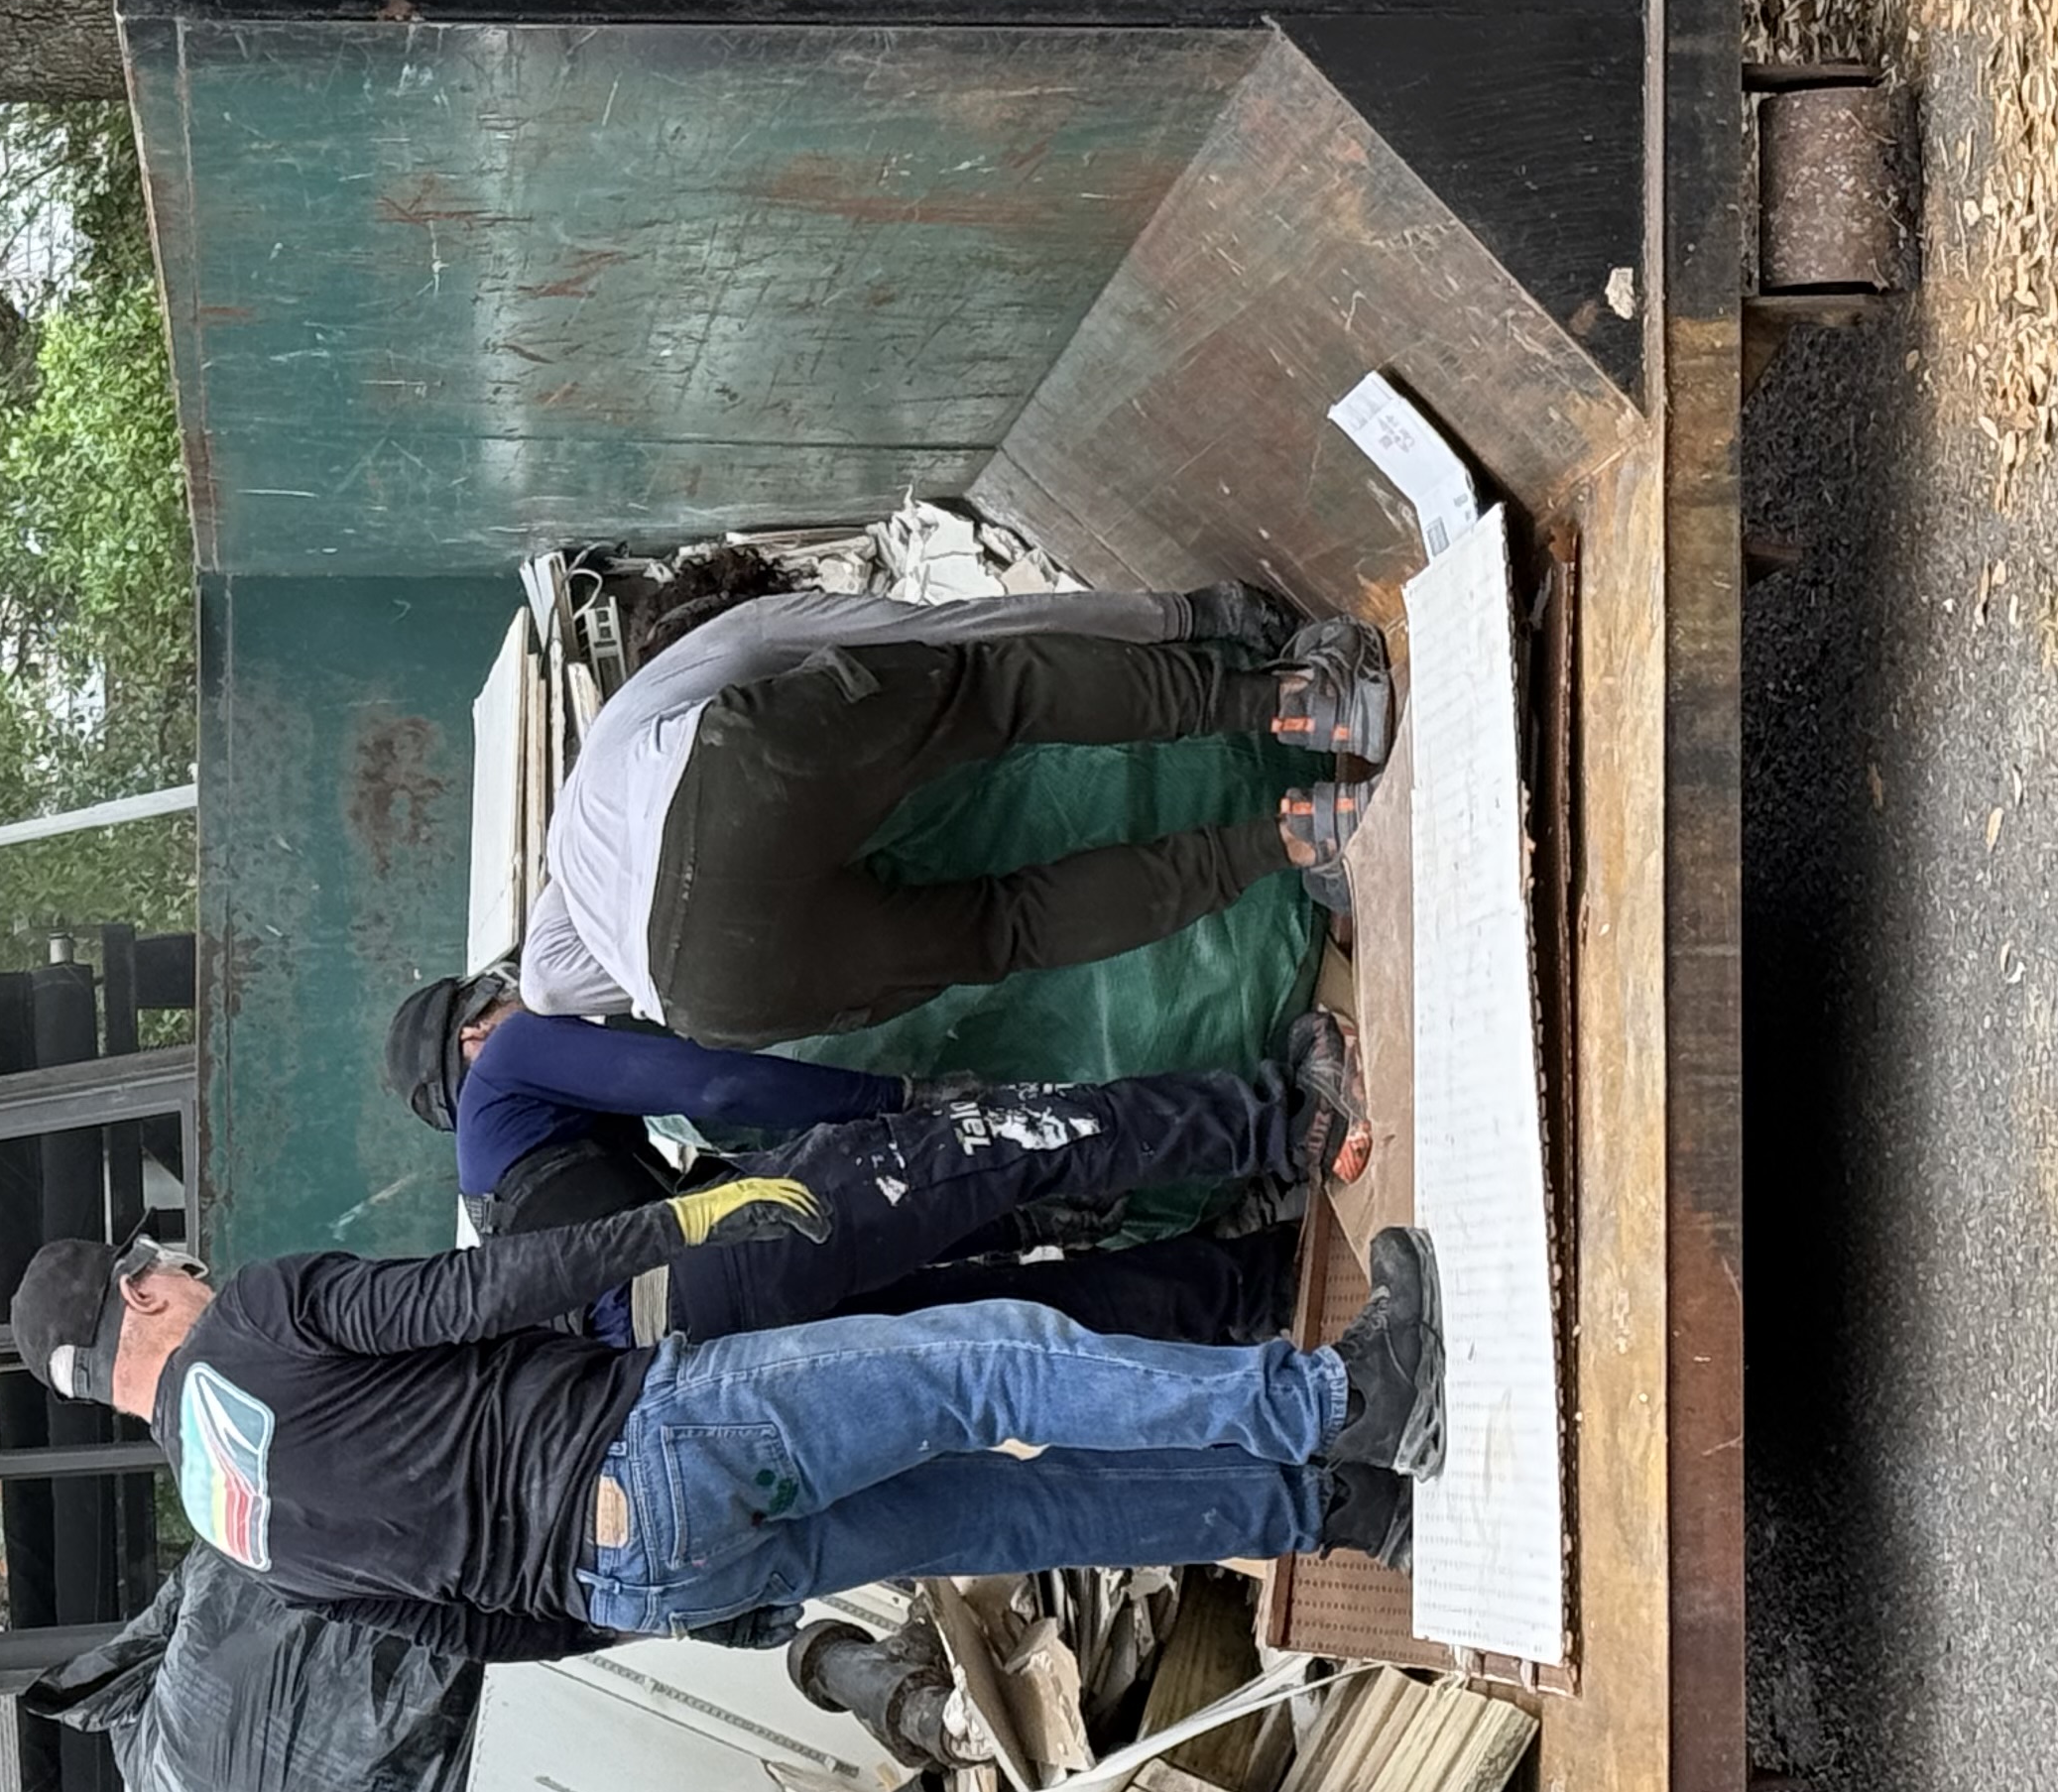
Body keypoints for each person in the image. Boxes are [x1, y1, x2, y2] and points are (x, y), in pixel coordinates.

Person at [8, 1194, 1443, 1661]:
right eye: (168, 1263)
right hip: (650, 1441)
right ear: (143, 1295)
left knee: (1008, 1512)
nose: (190, 1269)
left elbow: (472, 1637)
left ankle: (1337, 1512)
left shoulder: (233, 1537)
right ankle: (1342, 1402)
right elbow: (477, 1290)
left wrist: (641, 1610)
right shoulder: (255, 1320)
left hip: (642, 1580)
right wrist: (674, 1221)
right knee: (988, 1366)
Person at [518, 559, 1393, 1049]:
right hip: (726, 792)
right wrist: (1181, 615)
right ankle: (1303, 701)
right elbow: (960, 633)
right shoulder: (719, 654)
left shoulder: (579, 901)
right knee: (1005, 690)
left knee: (1012, 929)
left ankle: (1303, 838)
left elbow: (552, 987)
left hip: (709, 1000)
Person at [380, 967, 1344, 1350]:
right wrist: (894, 1102)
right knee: (1009, 1138)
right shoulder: (509, 1061)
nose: (531, 998)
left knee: (1002, 1318)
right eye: (504, 990)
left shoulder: (498, 1208)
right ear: (473, 1036)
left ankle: (1262, 1285)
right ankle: (1288, 1125)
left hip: (712, 1346)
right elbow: (717, 1089)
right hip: (722, 1260)